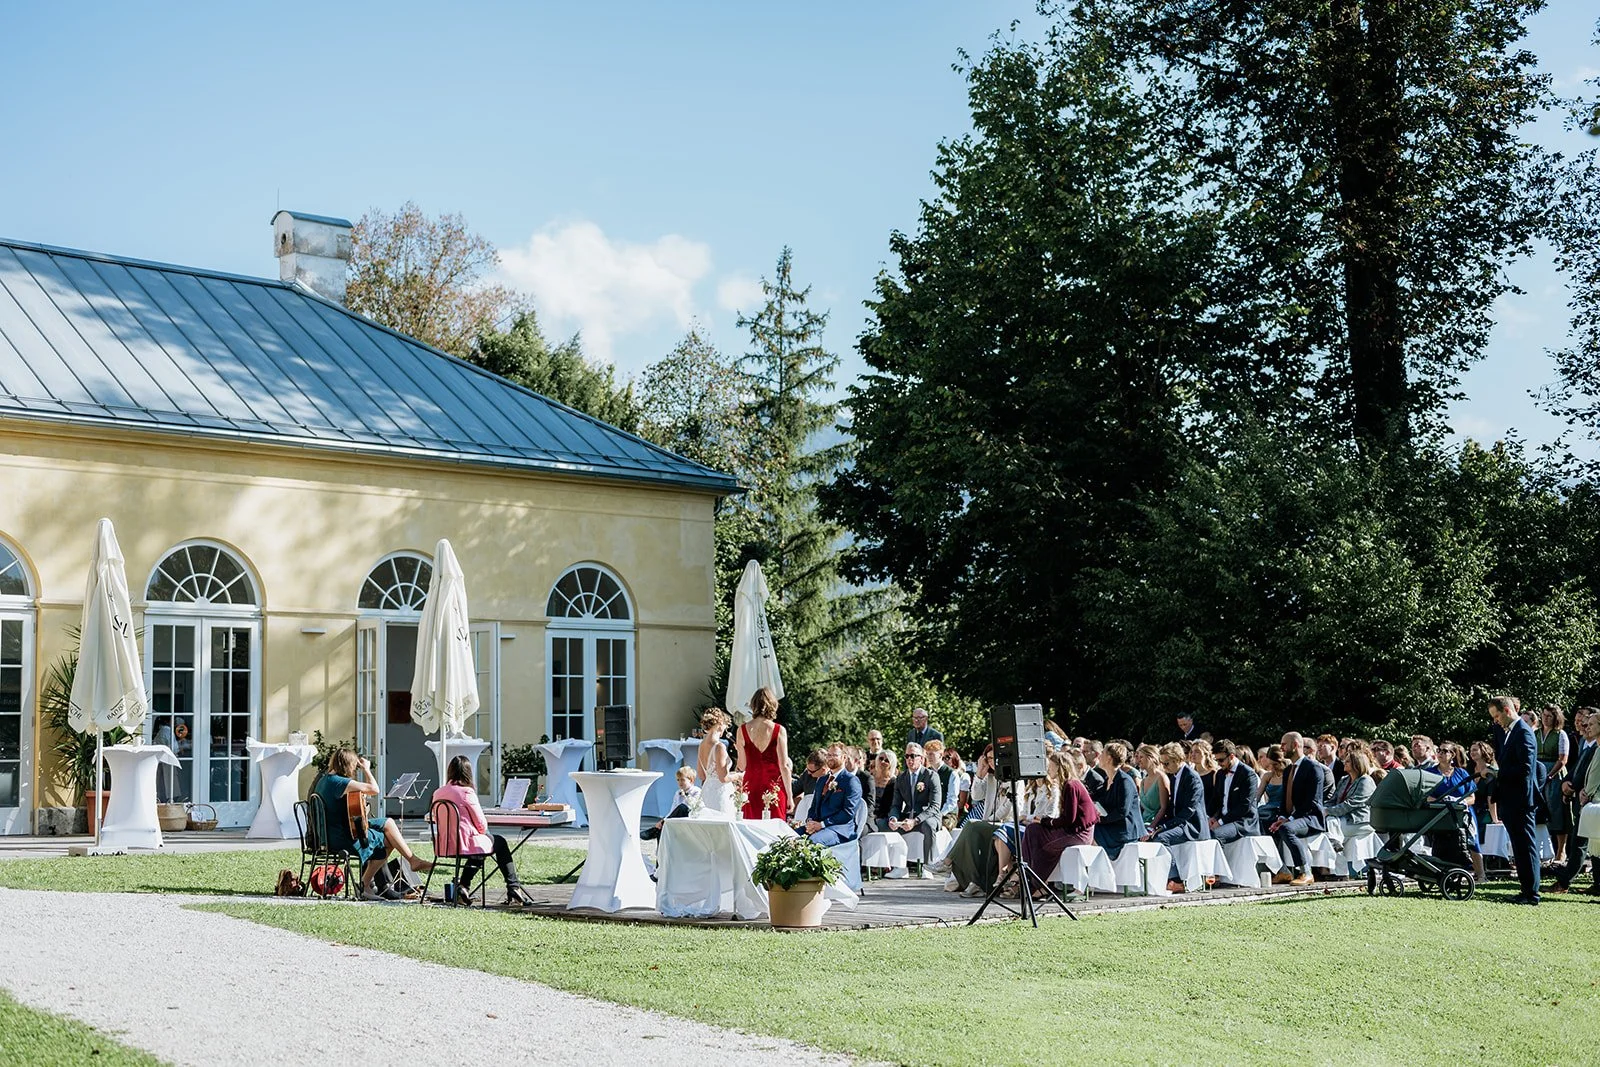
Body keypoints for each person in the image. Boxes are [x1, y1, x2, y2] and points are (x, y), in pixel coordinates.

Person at [312, 747, 432, 901]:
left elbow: (345, 809)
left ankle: (411, 861)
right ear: (348, 765)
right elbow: (374, 789)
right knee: (387, 840)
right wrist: (367, 769)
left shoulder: (325, 780)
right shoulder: (340, 783)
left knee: (388, 822)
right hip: (341, 837)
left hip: (330, 833)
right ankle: (365, 883)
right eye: (354, 766)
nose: (355, 769)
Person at [432, 755, 533, 906]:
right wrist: (483, 832)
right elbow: (481, 824)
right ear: (468, 772)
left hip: (444, 845)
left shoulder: (438, 793)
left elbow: (435, 817)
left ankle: (463, 887)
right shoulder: (467, 792)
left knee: (480, 848)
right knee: (498, 842)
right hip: (465, 844)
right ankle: (513, 887)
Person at [1022, 750, 1098, 895]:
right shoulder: (1069, 785)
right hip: (1073, 830)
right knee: (1033, 830)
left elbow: (1070, 819)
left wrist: (1046, 822)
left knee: (1042, 842)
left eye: (1051, 766)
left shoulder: (1071, 786)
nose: (1048, 769)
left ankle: (1036, 882)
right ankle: (1033, 878)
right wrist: (1045, 823)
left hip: (1078, 833)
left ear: (1059, 767)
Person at [1489, 695, 1540, 905]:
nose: (1495, 720)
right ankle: (1525, 890)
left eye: (1497, 715)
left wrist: (1497, 773)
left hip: (1521, 800)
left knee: (1526, 846)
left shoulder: (1523, 733)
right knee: (1519, 847)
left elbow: (1526, 769)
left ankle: (1532, 893)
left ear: (1508, 711)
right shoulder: (1510, 733)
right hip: (1511, 799)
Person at [948, 746, 1014, 896]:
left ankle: (947, 861)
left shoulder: (1013, 778)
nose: (991, 762)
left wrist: (987, 822)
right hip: (989, 823)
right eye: (988, 758)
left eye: (993, 758)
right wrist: (979, 773)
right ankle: (976, 881)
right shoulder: (990, 777)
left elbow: (1008, 808)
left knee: (972, 825)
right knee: (972, 837)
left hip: (1005, 823)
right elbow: (976, 797)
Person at [1142, 743, 1208, 893]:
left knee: (1161, 838)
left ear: (1178, 759)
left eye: (1166, 763)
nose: (1164, 767)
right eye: (1162, 763)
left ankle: (1176, 880)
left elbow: (1188, 810)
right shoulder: (1174, 777)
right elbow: (1172, 807)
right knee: (1152, 835)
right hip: (1180, 822)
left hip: (1192, 825)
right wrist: (1155, 825)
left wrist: (1165, 826)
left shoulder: (1192, 778)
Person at [1269, 732, 1325, 887]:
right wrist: (1281, 817)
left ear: (1295, 745)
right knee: (1265, 825)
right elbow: (1284, 799)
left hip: (1311, 817)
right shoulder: (1288, 770)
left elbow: (1311, 802)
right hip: (1293, 817)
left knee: (1286, 829)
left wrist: (1289, 819)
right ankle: (1283, 870)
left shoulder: (1313, 768)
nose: (1281, 748)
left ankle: (1306, 872)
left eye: (1284, 744)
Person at [1552, 708, 1598, 894]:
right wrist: (1567, 783)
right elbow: (1578, 768)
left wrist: (1582, 789)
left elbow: (1592, 774)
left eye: (1588, 723)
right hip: (1584, 798)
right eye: (1580, 722)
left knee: (1583, 843)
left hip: (1591, 800)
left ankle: (1564, 881)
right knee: (1592, 844)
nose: (1583, 726)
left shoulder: (1597, 746)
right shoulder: (1584, 744)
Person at [736, 686, 791, 820]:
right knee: (775, 831)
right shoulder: (779, 730)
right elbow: (784, 766)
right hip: (773, 787)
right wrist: (790, 795)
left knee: (751, 828)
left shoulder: (742, 730)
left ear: (753, 705)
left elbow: (742, 766)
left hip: (751, 784)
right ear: (773, 705)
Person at [888, 742, 943, 875]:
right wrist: (893, 818)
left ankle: (927, 867)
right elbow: (896, 804)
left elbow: (935, 806)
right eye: (907, 756)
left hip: (928, 816)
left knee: (929, 826)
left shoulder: (931, 776)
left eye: (913, 756)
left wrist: (916, 820)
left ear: (922, 758)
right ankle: (900, 867)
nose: (909, 759)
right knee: (886, 825)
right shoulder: (901, 778)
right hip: (908, 816)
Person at [1091, 742, 1145, 859]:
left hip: (1125, 830)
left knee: (1092, 832)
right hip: (1113, 825)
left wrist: (1100, 820)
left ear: (1109, 758)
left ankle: (1100, 870)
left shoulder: (1125, 781)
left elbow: (1122, 811)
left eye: (1102, 754)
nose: (1099, 757)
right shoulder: (1107, 780)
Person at [803, 742, 861, 847]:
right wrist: (810, 822)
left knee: (812, 843)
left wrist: (822, 825)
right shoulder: (822, 780)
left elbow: (848, 813)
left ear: (844, 758)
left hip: (839, 829)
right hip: (818, 826)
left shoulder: (850, 781)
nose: (830, 758)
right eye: (829, 755)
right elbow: (814, 807)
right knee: (791, 837)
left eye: (835, 755)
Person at [1208, 740, 1260, 845]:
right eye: (1216, 760)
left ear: (1231, 756)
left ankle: (1220, 862)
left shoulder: (1248, 774)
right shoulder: (1220, 774)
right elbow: (1216, 800)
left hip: (1242, 822)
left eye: (1221, 760)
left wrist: (1220, 822)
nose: (1218, 763)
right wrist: (1210, 817)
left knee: (1214, 836)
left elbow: (1244, 806)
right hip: (1224, 819)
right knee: (1202, 834)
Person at [1536, 705, 1570, 865]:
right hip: (1538, 773)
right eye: (1544, 715)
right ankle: (1543, 851)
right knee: (1540, 811)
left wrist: (1550, 775)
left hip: (1554, 774)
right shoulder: (1535, 733)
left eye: (1549, 716)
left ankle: (1561, 851)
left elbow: (1563, 759)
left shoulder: (1560, 734)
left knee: (1556, 810)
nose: (1546, 718)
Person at [1327, 748, 1376, 837]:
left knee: (1328, 824)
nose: (1344, 763)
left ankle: (1335, 844)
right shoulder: (1344, 780)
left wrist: (1328, 811)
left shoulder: (1366, 781)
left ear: (1357, 763)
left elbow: (1352, 804)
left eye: (1348, 761)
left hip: (1358, 820)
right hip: (1341, 817)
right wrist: (1321, 809)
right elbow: (1333, 800)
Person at [641, 766, 700, 840]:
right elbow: (673, 809)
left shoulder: (696, 791)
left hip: (690, 816)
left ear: (691, 780)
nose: (679, 782)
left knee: (682, 807)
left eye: (682, 780)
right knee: (662, 829)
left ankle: (655, 830)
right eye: (678, 780)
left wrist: (685, 796)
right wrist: (663, 819)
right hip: (677, 817)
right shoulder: (678, 792)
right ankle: (659, 836)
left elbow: (690, 805)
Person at [695, 708, 734, 814]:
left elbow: (701, 775)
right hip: (720, 794)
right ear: (720, 723)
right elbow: (723, 778)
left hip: (706, 792)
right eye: (725, 724)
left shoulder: (701, 745)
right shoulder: (719, 746)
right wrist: (738, 776)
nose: (726, 728)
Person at [1135, 743, 1169, 828]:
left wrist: (1151, 827)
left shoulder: (1161, 778)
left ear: (1151, 758)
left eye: (1141, 757)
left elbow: (1164, 808)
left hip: (1156, 823)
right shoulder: (1143, 781)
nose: (1138, 760)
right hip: (1142, 822)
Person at [1255, 744, 1286, 825]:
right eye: (1270, 764)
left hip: (1282, 810)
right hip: (1268, 808)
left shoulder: (1288, 775)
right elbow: (1257, 796)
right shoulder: (1267, 776)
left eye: (1275, 764)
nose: (1272, 767)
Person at [870, 750, 899, 829]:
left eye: (887, 760)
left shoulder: (894, 782)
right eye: (881, 758)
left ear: (891, 764)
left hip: (884, 817)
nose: (883, 761)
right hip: (868, 814)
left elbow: (892, 805)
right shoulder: (869, 778)